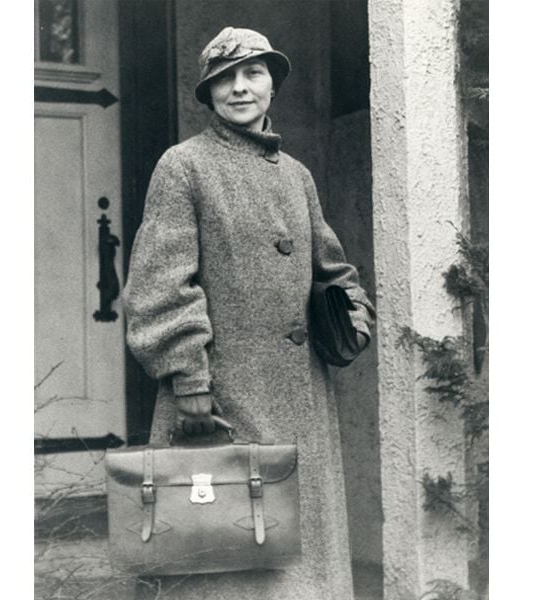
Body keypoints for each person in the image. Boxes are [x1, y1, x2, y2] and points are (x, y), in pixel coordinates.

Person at [122, 26, 375, 600]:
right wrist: (188, 377)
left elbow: (335, 272)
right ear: (208, 93)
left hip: (300, 403)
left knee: (299, 558)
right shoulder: (183, 166)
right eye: (224, 79)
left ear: (272, 85)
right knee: (226, 558)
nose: (240, 88)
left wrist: (353, 317)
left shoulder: (296, 175)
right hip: (218, 399)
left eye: (253, 74)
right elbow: (160, 285)